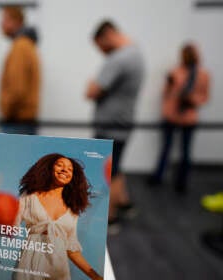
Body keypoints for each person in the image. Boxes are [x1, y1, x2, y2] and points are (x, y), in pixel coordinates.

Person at [85, 21, 145, 224]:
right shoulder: (135, 53)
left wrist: (90, 84)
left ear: (108, 34)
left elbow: (92, 91)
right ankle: (124, 203)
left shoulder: (119, 58)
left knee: (106, 171)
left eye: (100, 46)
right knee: (116, 167)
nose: (102, 52)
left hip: (111, 126)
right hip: (123, 122)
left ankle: (109, 218)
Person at [14, 153, 103, 280]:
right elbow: (10, 225)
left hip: (59, 267)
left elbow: (72, 250)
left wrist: (96, 277)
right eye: (59, 165)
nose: (65, 169)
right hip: (30, 260)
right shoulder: (29, 196)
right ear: (49, 169)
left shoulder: (72, 208)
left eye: (70, 169)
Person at [148, 43, 210, 193]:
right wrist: (170, 85)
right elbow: (165, 93)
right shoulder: (175, 71)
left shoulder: (202, 74)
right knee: (166, 148)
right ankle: (159, 176)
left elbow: (204, 96)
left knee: (186, 152)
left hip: (188, 117)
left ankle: (181, 182)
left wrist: (192, 100)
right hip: (171, 116)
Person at [0, 6, 40, 135]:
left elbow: (17, 89)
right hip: (24, 121)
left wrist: (6, 111)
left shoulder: (20, 46)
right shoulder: (27, 45)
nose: (1, 24)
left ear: (16, 21)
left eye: (4, 19)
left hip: (17, 122)